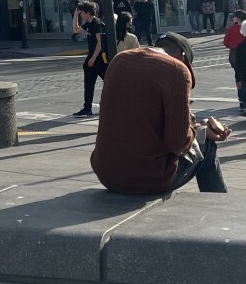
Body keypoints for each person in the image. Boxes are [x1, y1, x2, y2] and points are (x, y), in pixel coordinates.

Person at [90, 34, 231, 195]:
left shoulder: (119, 60)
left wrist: (197, 127)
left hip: (107, 174)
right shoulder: (176, 69)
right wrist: (197, 128)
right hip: (148, 179)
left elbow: (144, 118)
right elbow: (177, 144)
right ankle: (219, 203)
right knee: (207, 146)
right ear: (182, 58)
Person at [73, 16, 108, 118]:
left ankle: (88, 108)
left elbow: (100, 43)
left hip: (98, 59)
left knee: (108, 81)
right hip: (95, 59)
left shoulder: (96, 24)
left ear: (87, 12)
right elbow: (75, 30)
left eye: (81, 13)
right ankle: (87, 108)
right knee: (90, 84)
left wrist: (93, 58)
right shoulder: (89, 23)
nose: (81, 15)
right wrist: (75, 15)